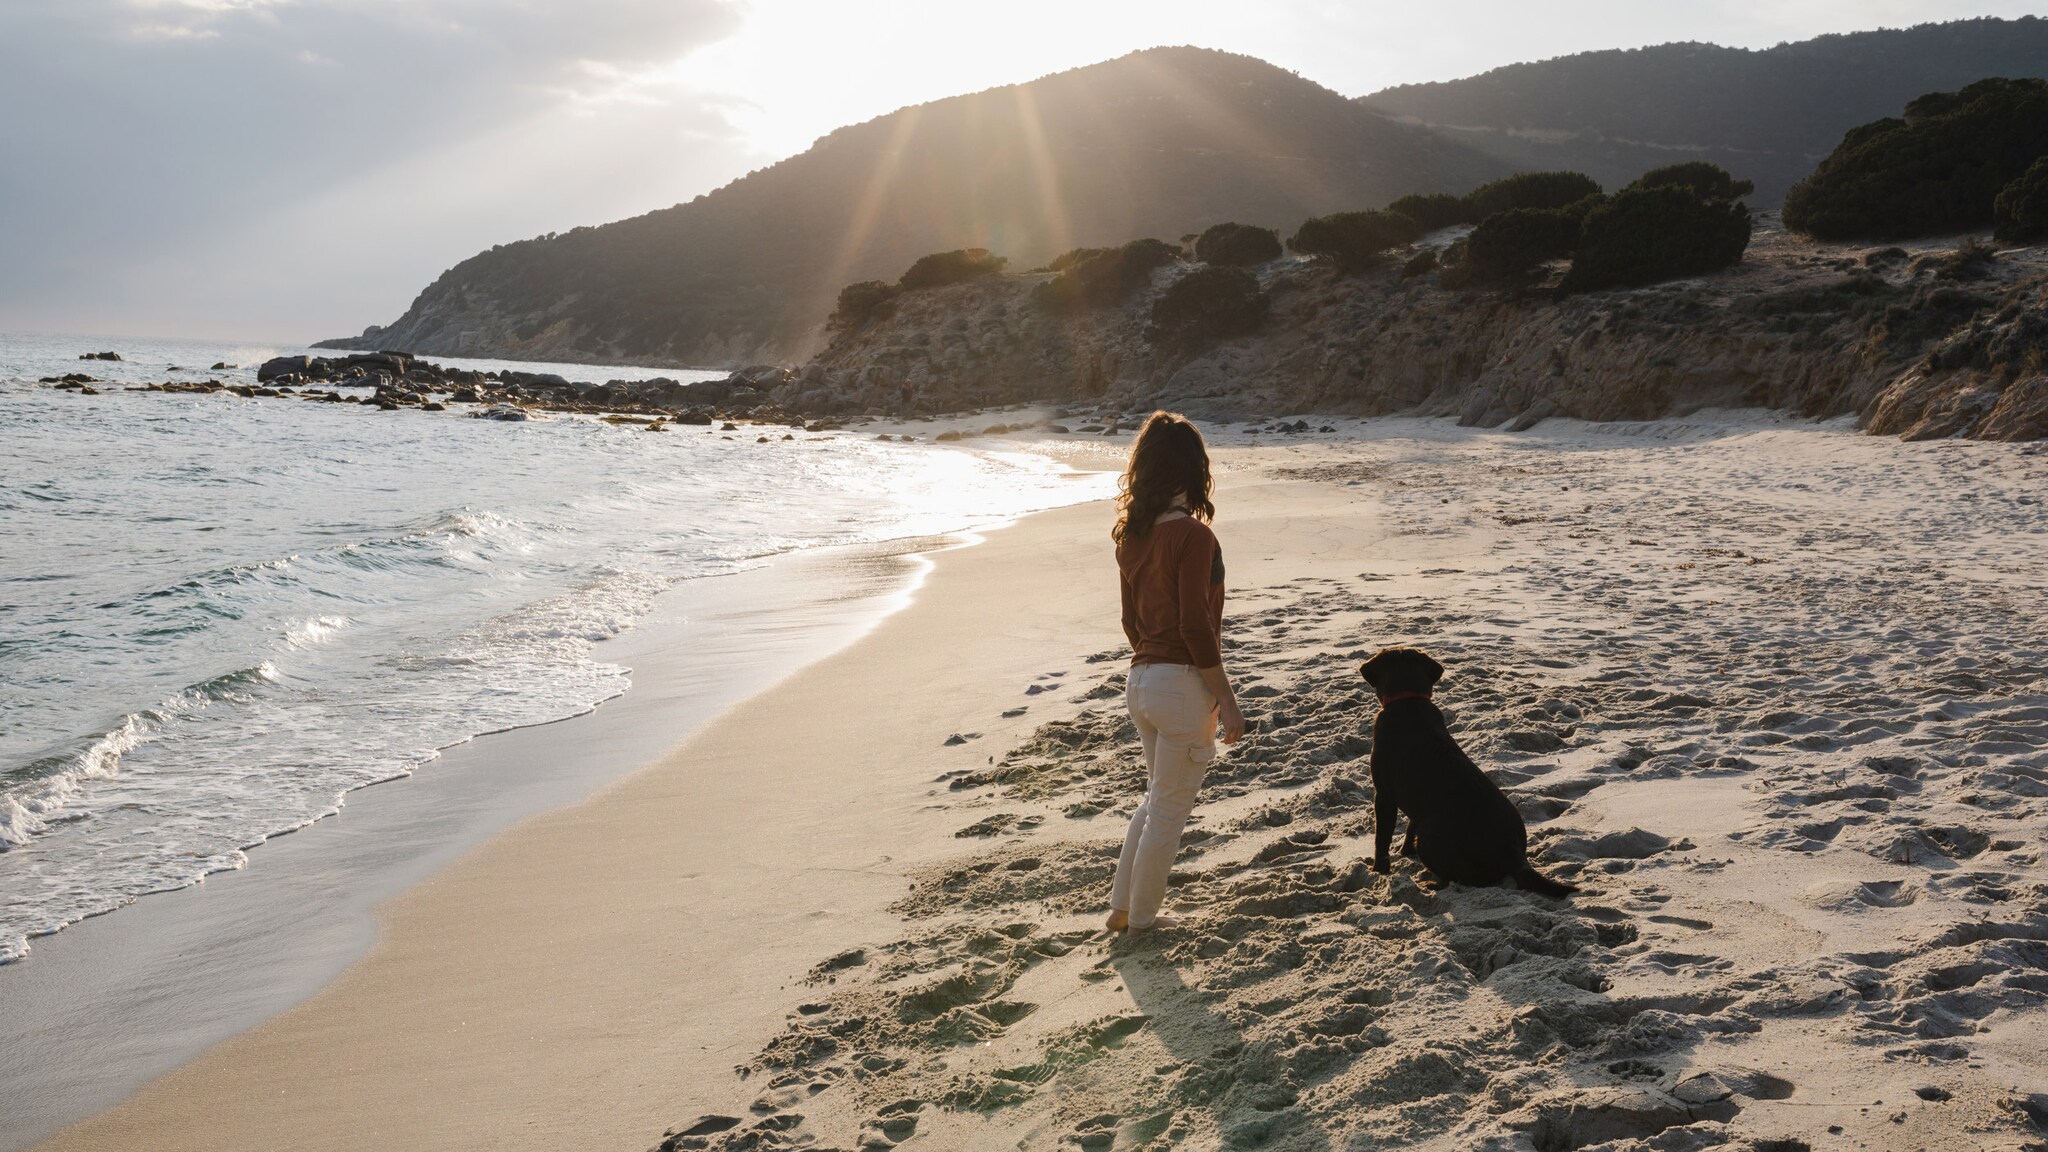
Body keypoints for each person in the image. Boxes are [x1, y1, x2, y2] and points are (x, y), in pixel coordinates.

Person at [1104, 411, 1246, 937]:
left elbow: (1129, 622)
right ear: (1194, 469)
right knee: (1168, 809)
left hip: (1139, 682)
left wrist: (1153, 667)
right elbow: (1195, 624)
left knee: (1155, 798)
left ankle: (1123, 910)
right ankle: (1142, 922)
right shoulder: (1193, 536)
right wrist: (1225, 701)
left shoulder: (1131, 538)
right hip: (1180, 684)